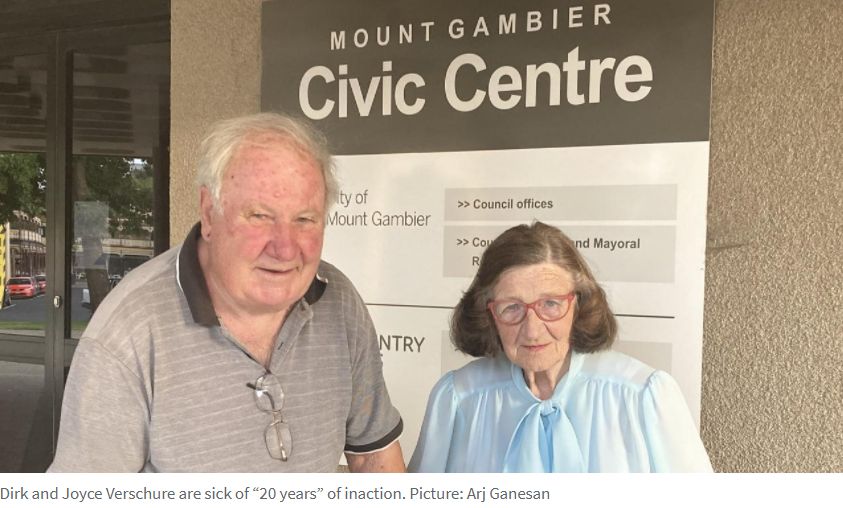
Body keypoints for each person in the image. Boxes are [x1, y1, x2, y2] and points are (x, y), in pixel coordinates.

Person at [49, 113, 404, 472]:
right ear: (209, 213)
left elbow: (374, 458)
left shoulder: (339, 302)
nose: (285, 248)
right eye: (260, 216)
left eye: (304, 219)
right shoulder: (127, 336)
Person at [409, 222, 712, 472]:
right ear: (488, 313)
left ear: (579, 303)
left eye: (551, 304)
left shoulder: (641, 396)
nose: (532, 330)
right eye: (512, 307)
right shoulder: (458, 398)